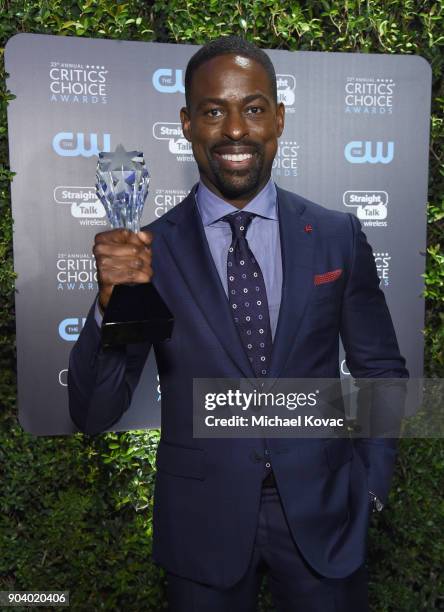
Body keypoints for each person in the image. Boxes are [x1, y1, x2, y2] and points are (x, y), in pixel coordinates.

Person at [69, 36, 408, 612]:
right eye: (213, 111)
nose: (234, 130)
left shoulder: (336, 235)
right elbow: (95, 410)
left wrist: (370, 485)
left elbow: (381, 368)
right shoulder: (150, 250)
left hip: (325, 516)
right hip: (202, 524)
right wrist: (108, 304)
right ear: (187, 124)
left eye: (252, 109)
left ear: (278, 119)